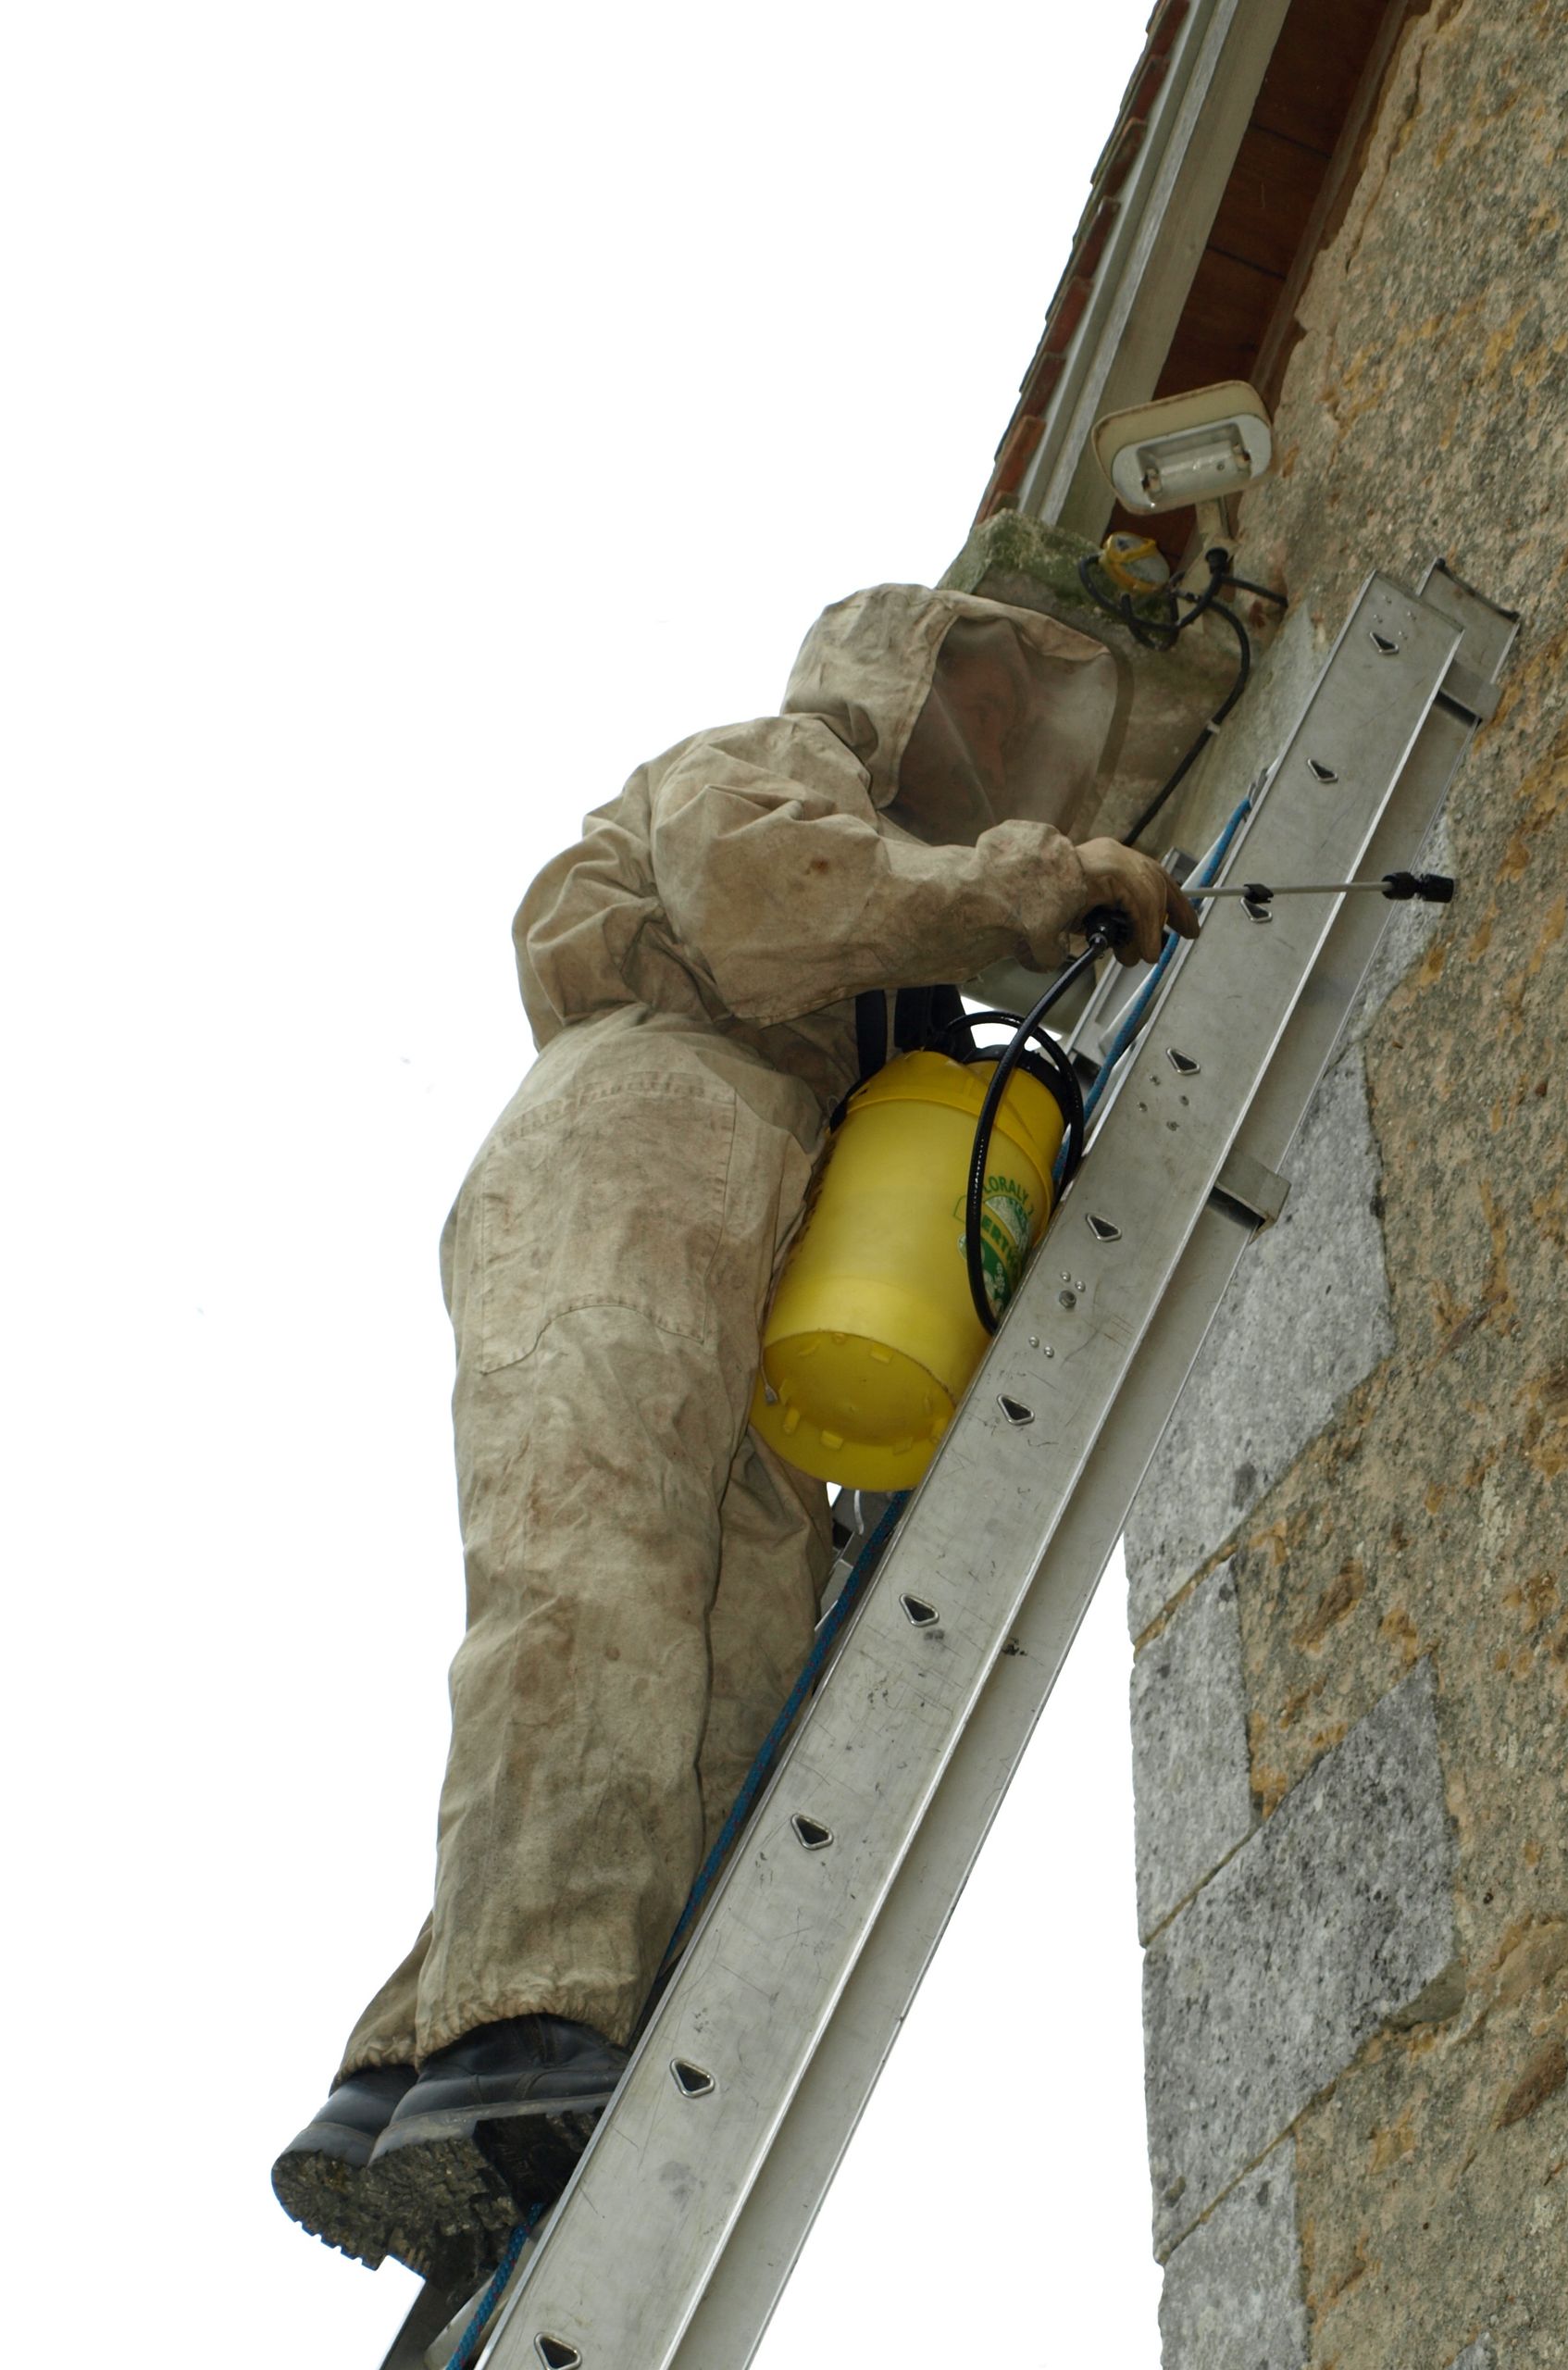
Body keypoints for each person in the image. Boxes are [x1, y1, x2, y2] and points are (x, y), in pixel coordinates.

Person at [271, 582, 1193, 2289]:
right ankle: (522, 2016)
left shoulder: (876, 945)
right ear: (896, 689)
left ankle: (426, 2060)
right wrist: (1033, 883)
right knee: (600, 1552)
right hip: (648, 1127)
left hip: (767, 1201)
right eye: (973, 717)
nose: (988, 758)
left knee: (741, 1630)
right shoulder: (769, 768)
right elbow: (782, 902)